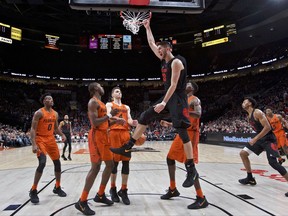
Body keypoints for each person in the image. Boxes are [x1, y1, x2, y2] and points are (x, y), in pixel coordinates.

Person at [110, 17, 199, 188]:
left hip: (177, 99)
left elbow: (173, 85)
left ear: (168, 48)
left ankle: (190, 168)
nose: (157, 50)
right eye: (157, 48)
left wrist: (163, 103)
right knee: (144, 116)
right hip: (168, 97)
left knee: (182, 132)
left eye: (160, 48)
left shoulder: (176, 62)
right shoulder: (163, 60)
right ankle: (128, 146)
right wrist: (147, 27)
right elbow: (151, 43)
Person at [160, 81, 208, 209]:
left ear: (192, 88)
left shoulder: (194, 99)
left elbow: (198, 114)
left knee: (190, 165)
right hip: (182, 133)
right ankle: (172, 188)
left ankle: (201, 197)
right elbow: (182, 120)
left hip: (191, 134)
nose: (186, 84)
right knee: (170, 158)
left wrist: (185, 110)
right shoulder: (182, 100)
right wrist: (169, 124)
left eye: (188, 84)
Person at [75, 82, 119, 215]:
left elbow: (105, 121)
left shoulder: (101, 103)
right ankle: (82, 202)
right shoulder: (92, 102)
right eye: (100, 86)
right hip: (96, 136)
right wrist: (110, 115)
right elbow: (95, 122)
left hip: (104, 135)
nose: (102, 87)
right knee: (95, 168)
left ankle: (100, 194)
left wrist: (116, 120)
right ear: (95, 89)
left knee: (110, 165)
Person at [239, 97, 288, 197]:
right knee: (243, 153)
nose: (243, 103)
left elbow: (268, 127)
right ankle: (250, 178)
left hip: (269, 139)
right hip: (261, 139)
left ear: (250, 103)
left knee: (273, 163)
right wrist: (257, 138)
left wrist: (255, 138)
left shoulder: (257, 112)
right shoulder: (249, 116)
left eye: (245, 101)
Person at [29, 93, 67, 204]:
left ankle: (57, 187)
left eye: (51, 98)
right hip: (40, 139)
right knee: (42, 162)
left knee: (57, 163)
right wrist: (33, 144)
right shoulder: (39, 113)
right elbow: (32, 129)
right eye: (47, 99)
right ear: (44, 101)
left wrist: (62, 135)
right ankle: (33, 189)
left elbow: (55, 128)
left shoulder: (55, 113)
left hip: (50, 139)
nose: (50, 100)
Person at [106, 87, 138, 205]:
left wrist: (133, 122)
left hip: (125, 134)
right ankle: (113, 188)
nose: (119, 92)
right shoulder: (109, 104)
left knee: (126, 162)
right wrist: (118, 119)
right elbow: (108, 116)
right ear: (112, 94)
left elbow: (128, 119)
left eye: (120, 91)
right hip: (114, 133)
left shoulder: (126, 107)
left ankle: (123, 190)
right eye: (116, 91)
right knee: (114, 163)